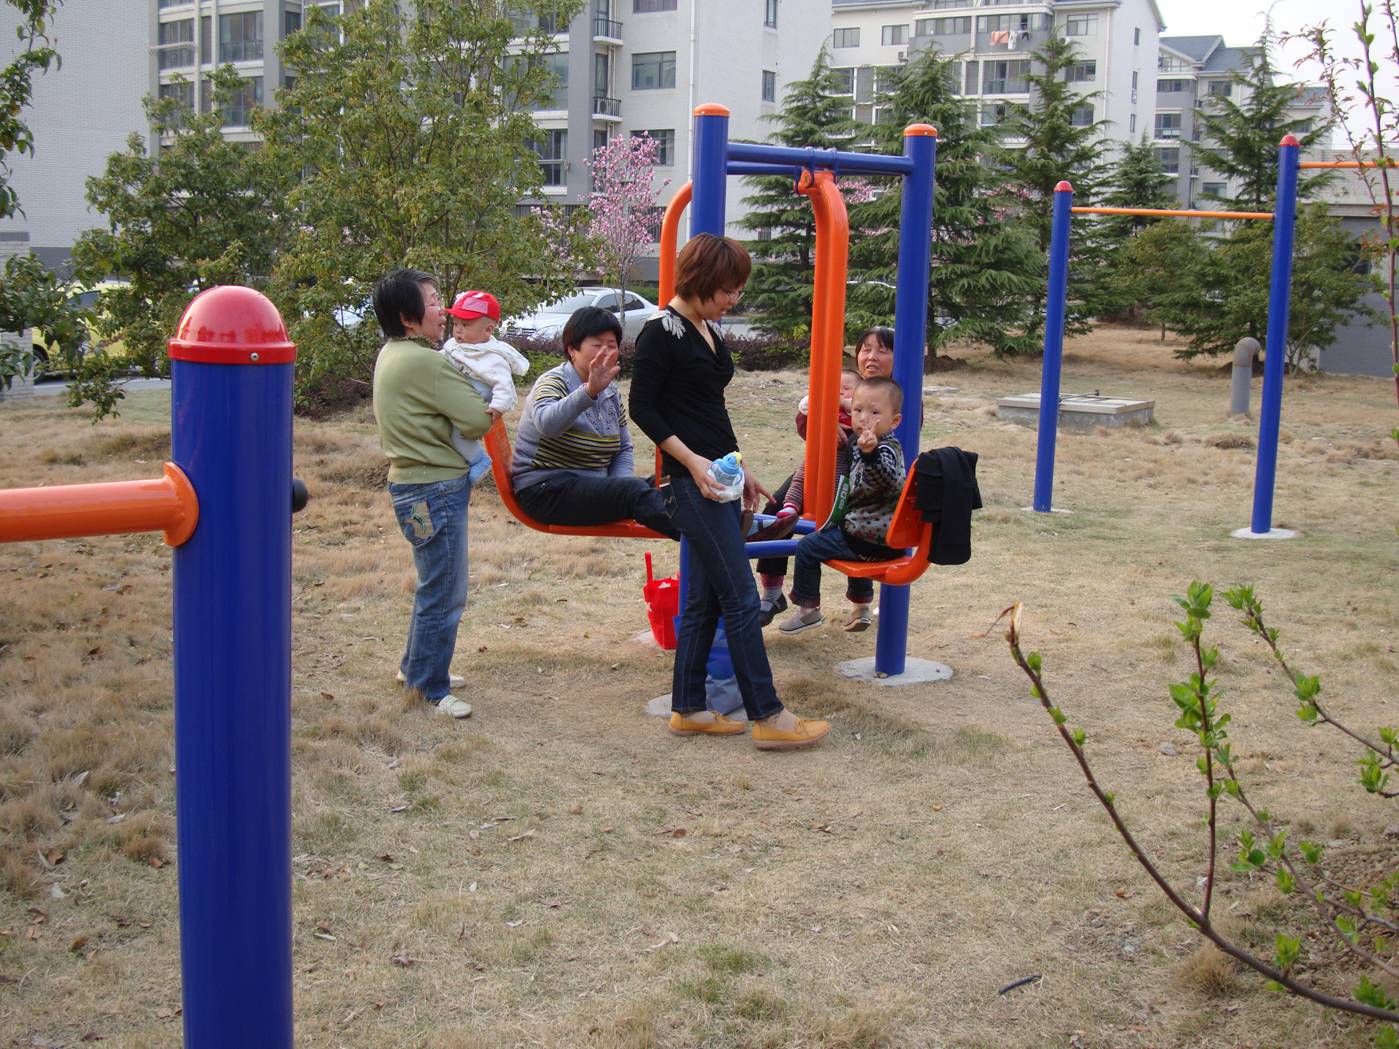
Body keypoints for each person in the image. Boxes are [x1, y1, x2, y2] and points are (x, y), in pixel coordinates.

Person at [629, 233, 830, 751]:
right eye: (726, 289)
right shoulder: (660, 331)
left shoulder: (703, 327)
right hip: (688, 485)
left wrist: (743, 469)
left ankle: (689, 709)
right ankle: (768, 715)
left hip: (717, 478)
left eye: (736, 291)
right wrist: (692, 464)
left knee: (704, 602)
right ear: (698, 279)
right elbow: (644, 410)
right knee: (742, 598)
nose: (732, 300)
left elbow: (707, 411)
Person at [371, 268, 491, 719]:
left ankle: (416, 668)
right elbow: (478, 419)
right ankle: (431, 689)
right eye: (435, 301)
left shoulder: (391, 355)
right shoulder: (426, 360)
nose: (444, 311)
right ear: (407, 316)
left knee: (432, 584)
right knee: (445, 591)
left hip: (409, 487)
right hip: (436, 490)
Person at [756, 326, 897, 632]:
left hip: (861, 478)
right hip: (822, 468)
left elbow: (894, 435)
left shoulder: (895, 393)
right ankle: (771, 592)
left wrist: (850, 423)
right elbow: (805, 423)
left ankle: (860, 604)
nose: (871, 356)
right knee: (776, 508)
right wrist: (822, 420)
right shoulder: (843, 386)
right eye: (865, 349)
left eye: (882, 350)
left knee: (855, 526)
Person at [512, 306, 678, 538]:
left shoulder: (609, 391)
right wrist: (588, 391)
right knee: (633, 491)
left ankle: (730, 521)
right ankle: (708, 536)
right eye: (597, 345)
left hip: (590, 485)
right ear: (572, 350)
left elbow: (623, 447)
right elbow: (546, 425)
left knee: (672, 480)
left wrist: (618, 484)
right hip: (545, 490)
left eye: (611, 346)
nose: (606, 352)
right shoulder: (553, 382)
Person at [780, 376, 906, 636]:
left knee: (807, 546)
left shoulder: (882, 450)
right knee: (849, 530)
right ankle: (861, 607)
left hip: (870, 542)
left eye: (874, 412)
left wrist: (869, 454)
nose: (863, 418)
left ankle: (807, 609)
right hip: (883, 541)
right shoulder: (868, 444)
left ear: (894, 421)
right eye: (858, 410)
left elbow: (883, 476)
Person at [440, 290, 530, 485]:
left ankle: (478, 461)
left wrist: (497, 407)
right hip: (461, 392)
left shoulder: (493, 357)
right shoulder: (455, 346)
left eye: (465, 325)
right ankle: (463, 460)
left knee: (457, 433)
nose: (458, 330)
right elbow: (441, 359)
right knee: (449, 429)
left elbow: (504, 385)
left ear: (488, 330)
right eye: (455, 324)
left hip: (479, 395)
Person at [763, 366, 861, 538]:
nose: (840, 392)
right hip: (818, 458)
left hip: (843, 465)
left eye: (846, 389)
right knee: (800, 479)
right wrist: (827, 412)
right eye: (835, 388)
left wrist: (847, 403)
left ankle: (832, 512)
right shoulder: (828, 405)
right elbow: (806, 405)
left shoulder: (861, 406)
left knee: (836, 486)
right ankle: (790, 506)